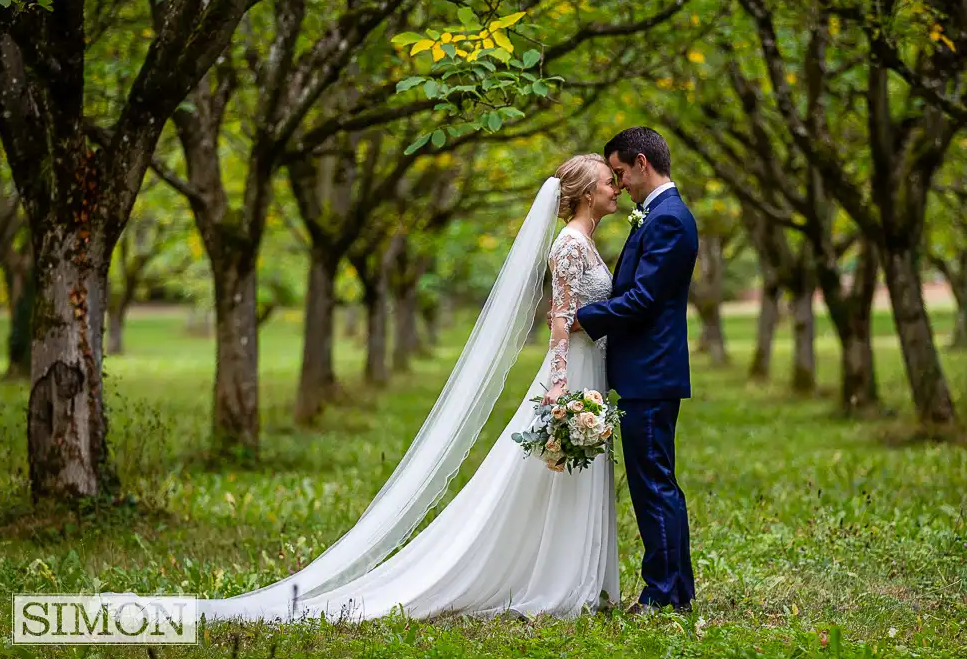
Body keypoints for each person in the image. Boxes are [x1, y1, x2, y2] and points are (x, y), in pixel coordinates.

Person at [198, 154, 624, 621]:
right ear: (587, 192)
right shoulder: (568, 245)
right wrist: (560, 387)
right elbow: (559, 319)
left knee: (570, 473)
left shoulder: (587, 241)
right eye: (609, 181)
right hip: (572, 373)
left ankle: (579, 576)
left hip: (591, 367)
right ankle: (552, 580)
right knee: (550, 473)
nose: (616, 187)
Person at [576, 126, 699, 614]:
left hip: (652, 372)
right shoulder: (657, 216)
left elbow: (645, 299)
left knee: (653, 485)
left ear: (643, 163)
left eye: (622, 171)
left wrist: (581, 319)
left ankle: (665, 594)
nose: (619, 182)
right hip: (646, 372)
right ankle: (675, 589)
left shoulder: (668, 219)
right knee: (653, 482)